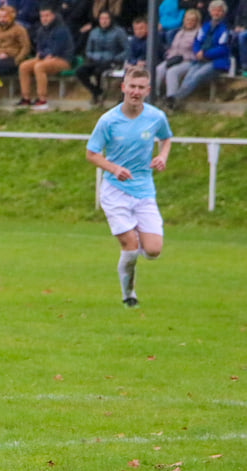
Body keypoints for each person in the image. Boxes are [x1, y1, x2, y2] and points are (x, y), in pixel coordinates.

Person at [85, 67, 172, 308]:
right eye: (131, 86)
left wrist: (162, 156)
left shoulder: (156, 117)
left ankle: (138, 245)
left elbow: (166, 138)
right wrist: (113, 169)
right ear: (123, 87)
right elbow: (91, 154)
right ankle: (128, 296)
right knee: (130, 246)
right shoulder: (108, 120)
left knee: (153, 251)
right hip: (115, 191)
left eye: (140, 87)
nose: (135, 91)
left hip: (144, 190)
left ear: (147, 90)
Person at [170, 0, 231, 107]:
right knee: (189, 76)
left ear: (223, 13)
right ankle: (176, 100)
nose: (216, 13)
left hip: (217, 62)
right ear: (210, 12)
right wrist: (197, 52)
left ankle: (174, 100)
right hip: (200, 59)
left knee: (197, 76)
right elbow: (197, 41)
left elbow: (222, 48)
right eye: (214, 10)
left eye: (219, 11)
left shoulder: (225, 28)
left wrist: (205, 53)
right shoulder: (205, 26)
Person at [16, 4, 74, 110]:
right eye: (42, 16)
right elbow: (39, 48)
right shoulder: (41, 30)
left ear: (53, 16)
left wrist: (44, 55)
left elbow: (56, 50)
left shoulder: (61, 30)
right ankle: (26, 97)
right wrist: (42, 55)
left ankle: (42, 99)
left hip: (62, 59)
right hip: (45, 58)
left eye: (47, 16)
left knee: (39, 67)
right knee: (24, 66)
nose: (44, 19)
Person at [75, 10, 129, 105]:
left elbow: (127, 49)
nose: (104, 21)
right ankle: (96, 91)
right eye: (101, 18)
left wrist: (116, 58)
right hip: (95, 60)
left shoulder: (119, 32)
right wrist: (94, 56)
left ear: (110, 19)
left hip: (112, 61)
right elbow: (88, 50)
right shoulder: (94, 32)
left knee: (99, 71)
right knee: (80, 71)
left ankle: (98, 96)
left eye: (106, 18)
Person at [154, 9, 201, 99]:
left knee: (172, 72)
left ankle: (171, 98)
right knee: (159, 69)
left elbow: (196, 51)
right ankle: (154, 95)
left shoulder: (198, 34)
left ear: (196, 22)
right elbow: (172, 47)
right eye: (187, 20)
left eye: (192, 20)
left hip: (188, 61)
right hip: (173, 59)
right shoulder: (179, 32)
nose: (189, 22)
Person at [233, 0, 247, 76]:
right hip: (241, 27)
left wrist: (244, 27)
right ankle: (235, 67)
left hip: (245, 29)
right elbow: (238, 15)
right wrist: (237, 26)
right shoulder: (243, 1)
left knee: (242, 36)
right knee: (231, 35)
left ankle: (244, 67)